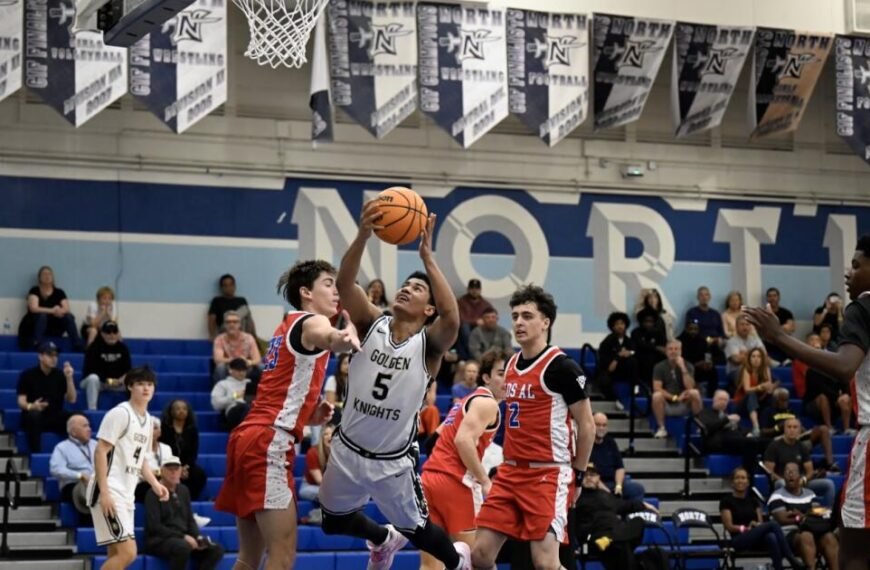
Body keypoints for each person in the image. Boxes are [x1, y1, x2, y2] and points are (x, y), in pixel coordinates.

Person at [319, 202, 471, 570]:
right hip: (348, 448)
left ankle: (459, 563)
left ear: (428, 309)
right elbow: (344, 284)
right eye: (405, 284)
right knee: (332, 522)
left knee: (419, 530)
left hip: (392, 462)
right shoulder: (373, 322)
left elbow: (453, 316)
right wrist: (363, 235)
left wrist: (428, 259)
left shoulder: (430, 345)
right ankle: (383, 540)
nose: (406, 289)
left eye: (418, 288)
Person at [213, 259, 360, 570]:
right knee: (282, 556)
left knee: (248, 559)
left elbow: (280, 391)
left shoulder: (285, 327)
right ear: (306, 292)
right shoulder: (313, 322)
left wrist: (309, 414)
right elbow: (329, 336)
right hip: (269, 442)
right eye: (328, 284)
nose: (337, 291)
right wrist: (344, 336)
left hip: (249, 436)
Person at [745, 234, 870, 570]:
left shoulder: (864, 306)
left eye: (857, 265)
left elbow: (845, 366)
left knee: (855, 549)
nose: (848, 273)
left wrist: (780, 337)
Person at [472, 285, 595, 570]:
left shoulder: (562, 367)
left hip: (547, 474)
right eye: (514, 316)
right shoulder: (512, 364)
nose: (518, 322)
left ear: (545, 322)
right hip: (510, 472)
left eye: (527, 316)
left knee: (545, 564)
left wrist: (578, 472)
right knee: (480, 555)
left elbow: (587, 425)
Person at [420, 349, 508, 570]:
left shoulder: (464, 401)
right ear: (486, 377)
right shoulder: (487, 403)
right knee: (476, 561)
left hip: (429, 479)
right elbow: (463, 441)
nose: (507, 379)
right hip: (455, 483)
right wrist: (485, 481)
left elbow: (432, 442)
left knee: (431, 565)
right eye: (500, 373)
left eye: (510, 373)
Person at [86, 367, 169, 570]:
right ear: (130, 386)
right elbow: (100, 451)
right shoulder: (120, 413)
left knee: (116, 554)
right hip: (108, 489)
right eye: (140, 384)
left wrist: (155, 484)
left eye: (149, 384)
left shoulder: (149, 420)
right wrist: (105, 493)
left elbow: (141, 460)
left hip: (126, 493)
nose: (146, 388)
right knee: (128, 553)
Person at [144, 455, 224, 570]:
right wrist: (183, 536)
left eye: (176, 469)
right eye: (169, 469)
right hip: (159, 539)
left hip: (181, 539)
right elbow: (155, 526)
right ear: (162, 471)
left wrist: (197, 537)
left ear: (181, 471)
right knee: (182, 547)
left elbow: (190, 520)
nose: (173, 472)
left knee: (216, 549)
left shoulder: (184, 490)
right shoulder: (152, 493)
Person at [574, 464, 658, 570]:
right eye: (585, 475)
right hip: (596, 536)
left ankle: (611, 539)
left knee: (638, 521)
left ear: (598, 478)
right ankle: (613, 539)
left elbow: (624, 505)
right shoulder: (577, 497)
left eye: (592, 475)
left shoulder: (606, 495)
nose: (589, 477)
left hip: (611, 536)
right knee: (624, 546)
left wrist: (644, 505)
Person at [720, 467, 804, 570]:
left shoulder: (753, 501)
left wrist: (756, 525)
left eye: (743, 478)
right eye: (737, 478)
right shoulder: (726, 501)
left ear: (748, 482)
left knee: (771, 536)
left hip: (756, 538)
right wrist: (746, 528)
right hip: (739, 539)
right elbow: (729, 527)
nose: (740, 481)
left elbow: (761, 524)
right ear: (732, 482)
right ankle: (791, 558)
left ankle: (778, 567)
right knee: (773, 524)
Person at [768, 462, 838, 570]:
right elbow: (782, 519)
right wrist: (806, 516)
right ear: (783, 476)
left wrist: (801, 516)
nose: (790, 474)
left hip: (813, 529)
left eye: (794, 471)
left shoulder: (810, 494)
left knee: (829, 537)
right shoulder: (777, 495)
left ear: (800, 476)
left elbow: (818, 513)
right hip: (789, 535)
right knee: (806, 536)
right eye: (787, 471)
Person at [760, 388, 838, 473]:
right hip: (781, 440)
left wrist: (802, 430)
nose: (785, 403)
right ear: (775, 400)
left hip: (798, 438)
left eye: (787, 400)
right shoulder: (768, 411)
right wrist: (777, 428)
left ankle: (830, 464)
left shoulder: (790, 411)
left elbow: (799, 426)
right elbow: (762, 432)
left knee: (823, 429)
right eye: (782, 400)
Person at [762, 418, 835, 508]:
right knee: (780, 483)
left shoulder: (802, 447)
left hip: (800, 483)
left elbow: (810, 471)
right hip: (783, 481)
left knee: (829, 484)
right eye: (789, 427)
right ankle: (782, 510)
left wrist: (803, 480)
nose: (792, 430)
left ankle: (829, 513)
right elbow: (769, 471)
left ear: (799, 430)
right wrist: (788, 482)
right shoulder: (774, 446)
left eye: (795, 427)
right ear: (784, 429)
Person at [16, 342, 76, 452]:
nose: (54, 358)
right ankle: (35, 454)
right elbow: (21, 401)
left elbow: (71, 399)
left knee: (78, 418)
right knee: (34, 417)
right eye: (50, 355)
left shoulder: (60, 375)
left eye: (56, 355)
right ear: (40, 356)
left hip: (55, 415)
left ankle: (75, 454)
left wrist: (69, 378)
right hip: (35, 416)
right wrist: (32, 406)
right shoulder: (28, 375)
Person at [696, 391, 767, 474]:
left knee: (766, 442)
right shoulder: (706, 413)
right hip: (720, 441)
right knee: (750, 443)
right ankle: (748, 475)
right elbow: (708, 428)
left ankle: (766, 474)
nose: (723, 402)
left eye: (725, 400)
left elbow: (738, 428)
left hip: (735, 439)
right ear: (714, 400)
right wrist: (727, 419)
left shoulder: (726, 414)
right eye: (720, 399)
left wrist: (747, 433)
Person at [20, 266, 82, 350]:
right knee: (42, 316)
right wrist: (52, 310)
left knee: (69, 317)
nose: (47, 276)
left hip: (54, 326)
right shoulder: (34, 290)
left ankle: (77, 345)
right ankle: (37, 343)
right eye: (44, 274)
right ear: (39, 278)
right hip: (36, 324)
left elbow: (67, 309)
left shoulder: (59, 292)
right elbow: (33, 308)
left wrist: (59, 311)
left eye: (49, 274)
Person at [650, 340, 702, 439]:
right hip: (668, 403)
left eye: (676, 349)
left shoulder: (688, 365)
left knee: (694, 393)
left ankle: (698, 426)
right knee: (656, 396)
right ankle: (662, 428)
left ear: (681, 351)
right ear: (666, 351)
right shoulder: (659, 366)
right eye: (670, 349)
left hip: (684, 403)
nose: (673, 352)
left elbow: (690, 387)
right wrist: (675, 398)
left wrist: (682, 368)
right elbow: (657, 388)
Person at [589, 412, 645, 500]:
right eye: (598, 425)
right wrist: (607, 491)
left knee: (637, 489)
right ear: (591, 425)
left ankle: (631, 513)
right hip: (596, 485)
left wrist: (618, 486)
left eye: (604, 425)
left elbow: (620, 468)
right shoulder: (586, 445)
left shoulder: (611, 442)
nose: (601, 428)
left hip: (614, 482)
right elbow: (589, 475)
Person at [159, 400, 207, 500]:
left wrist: (185, 467)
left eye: (184, 409)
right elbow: (161, 450)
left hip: (186, 465)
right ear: (171, 412)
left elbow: (193, 453)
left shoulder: (192, 430)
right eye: (178, 408)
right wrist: (176, 468)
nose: (181, 411)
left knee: (199, 475)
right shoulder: (164, 428)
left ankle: (188, 500)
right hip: (168, 463)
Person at [80, 320, 132, 411]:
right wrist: (111, 381)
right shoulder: (94, 347)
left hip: (117, 382)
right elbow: (92, 370)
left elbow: (128, 369)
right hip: (98, 382)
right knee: (93, 378)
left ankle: (133, 410)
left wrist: (122, 379)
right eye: (108, 332)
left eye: (114, 331)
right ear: (102, 334)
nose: (111, 335)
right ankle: (92, 409)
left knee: (135, 382)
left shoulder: (123, 348)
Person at [50, 414, 97, 503]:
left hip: (97, 483)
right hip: (75, 484)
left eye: (89, 425)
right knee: (88, 494)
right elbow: (55, 470)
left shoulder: (96, 445)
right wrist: (79, 476)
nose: (89, 429)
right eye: (84, 426)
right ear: (73, 432)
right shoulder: (62, 447)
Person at [733, 347, 776, 437]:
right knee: (751, 394)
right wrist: (759, 387)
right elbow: (747, 389)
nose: (756, 359)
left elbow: (769, 388)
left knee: (771, 399)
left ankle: (765, 430)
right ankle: (755, 426)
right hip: (743, 403)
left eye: (759, 356)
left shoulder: (766, 369)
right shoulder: (746, 370)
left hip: (760, 401)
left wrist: (768, 387)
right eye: (753, 356)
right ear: (749, 358)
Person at [596, 312, 639, 402]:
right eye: (617, 324)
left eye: (622, 323)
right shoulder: (607, 342)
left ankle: (635, 389)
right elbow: (604, 361)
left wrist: (628, 353)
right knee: (603, 378)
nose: (620, 326)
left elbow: (633, 351)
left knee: (633, 362)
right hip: (610, 371)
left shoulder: (629, 341)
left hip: (624, 369)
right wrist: (617, 357)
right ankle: (612, 400)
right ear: (612, 326)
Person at [212, 310, 262, 383]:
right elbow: (218, 359)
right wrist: (236, 360)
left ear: (240, 324)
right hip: (229, 368)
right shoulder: (219, 339)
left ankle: (266, 393)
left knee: (262, 367)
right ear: (224, 325)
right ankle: (222, 392)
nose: (231, 324)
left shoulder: (249, 338)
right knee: (220, 367)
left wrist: (248, 362)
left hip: (246, 368)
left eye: (235, 322)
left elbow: (257, 359)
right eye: (228, 322)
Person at [207, 274, 257, 339]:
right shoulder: (217, 301)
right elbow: (212, 319)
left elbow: (249, 321)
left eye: (231, 285)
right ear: (221, 288)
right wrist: (212, 335)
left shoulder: (241, 300)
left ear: (234, 286)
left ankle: (251, 337)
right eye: (225, 286)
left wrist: (254, 336)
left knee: (246, 314)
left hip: (241, 330)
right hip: (225, 329)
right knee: (243, 310)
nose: (228, 288)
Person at [678, 318, 719, 397]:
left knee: (713, 370)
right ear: (686, 329)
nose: (693, 331)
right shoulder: (680, 341)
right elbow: (680, 359)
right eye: (691, 329)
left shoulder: (702, 340)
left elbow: (708, 353)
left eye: (695, 329)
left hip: (701, 367)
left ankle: (712, 396)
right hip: (686, 368)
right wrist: (696, 364)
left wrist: (708, 362)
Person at [136, 417, 173, 503]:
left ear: (160, 432)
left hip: (163, 480)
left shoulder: (166, 448)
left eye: (155, 428)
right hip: (143, 483)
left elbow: (170, 467)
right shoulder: (138, 448)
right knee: (153, 489)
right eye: (149, 428)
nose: (152, 431)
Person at [456, 278, 495, 360]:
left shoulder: (485, 304)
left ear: (480, 290)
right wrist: (475, 322)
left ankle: (478, 356)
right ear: (468, 289)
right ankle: (471, 356)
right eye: (472, 288)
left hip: (480, 331)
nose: (474, 291)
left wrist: (485, 322)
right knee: (464, 328)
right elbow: (459, 319)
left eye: (477, 289)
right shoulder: (461, 302)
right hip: (465, 331)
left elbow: (492, 317)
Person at [210, 358, 251, 430]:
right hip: (234, 411)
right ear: (231, 370)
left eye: (243, 370)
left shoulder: (251, 383)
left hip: (253, 408)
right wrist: (234, 396)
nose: (241, 373)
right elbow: (215, 404)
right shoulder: (223, 384)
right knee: (243, 408)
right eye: (238, 370)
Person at [631, 308, 667, 385]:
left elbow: (663, 347)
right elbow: (639, 345)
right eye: (646, 321)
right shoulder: (636, 332)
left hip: (656, 359)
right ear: (641, 321)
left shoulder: (658, 332)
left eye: (651, 321)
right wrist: (655, 347)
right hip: (640, 358)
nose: (648, 324)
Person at [725, 315, 766, 384]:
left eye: (747, 324)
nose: (745, 327)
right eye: (742, 324)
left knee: (769, 375)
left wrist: (745, 354)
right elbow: (737, 360)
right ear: (736, 327)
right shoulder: (731, 342)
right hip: (736, 372)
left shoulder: (756, 339)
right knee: (746, 373)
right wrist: (755, 356)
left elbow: (764, 356)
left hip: (755, 371)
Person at [685, 286, 726, 352]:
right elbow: (690, 333)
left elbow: (722, 333)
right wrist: (708, 339)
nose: (704, 297)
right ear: (697, 297)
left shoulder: (716, 314)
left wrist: (717, 339)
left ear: (709, 297)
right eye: (701, 295)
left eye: (706, 295)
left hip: (716, 344)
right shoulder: (691, 313)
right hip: (699, 345)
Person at [300, 424, 335, 501]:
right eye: (326, 434)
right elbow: (319, 481)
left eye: (332, 434)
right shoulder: (313, 452)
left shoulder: (340, 454)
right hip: (311, 486)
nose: (329, 436)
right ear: (321, 438)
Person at [764, 288, 795, 364]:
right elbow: (764, 332)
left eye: (774, 296)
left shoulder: (787, 313)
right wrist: (782, 328)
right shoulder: (763, 313)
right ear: (767, 298)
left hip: (785, 346)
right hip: (769, 347)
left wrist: (773, 330)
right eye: (770, 296)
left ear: (779, 297)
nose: (772, 298)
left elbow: (790, 329)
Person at [418, 381, 441, 446]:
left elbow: (431, 401)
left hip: (424, 410)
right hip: (411, 409)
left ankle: (432, 441)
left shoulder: (431, 381)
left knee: (433, 409)